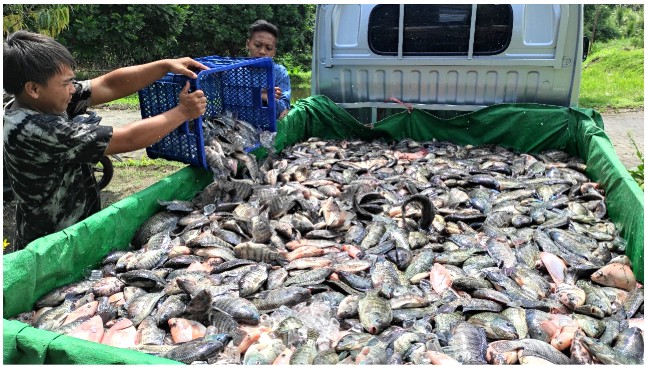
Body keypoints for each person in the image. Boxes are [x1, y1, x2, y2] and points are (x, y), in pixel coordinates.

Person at [3, 30, 208, 252]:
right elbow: (128, 138)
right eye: (66, 84)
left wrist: (165, 65)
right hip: (52, 246)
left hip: (74, 230)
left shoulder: (39, 101)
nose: (73, 88)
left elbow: (108, 84)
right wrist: (182, 113)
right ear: (33, 88)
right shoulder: (35, 129)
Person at [246, 19, 291, 119]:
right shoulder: (235, 69)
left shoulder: (279, 72)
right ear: (248, 44)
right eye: (257, 45)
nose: (262, 51)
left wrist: (269, 98)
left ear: (274, 51)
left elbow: (284, 111)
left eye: (269, 48)